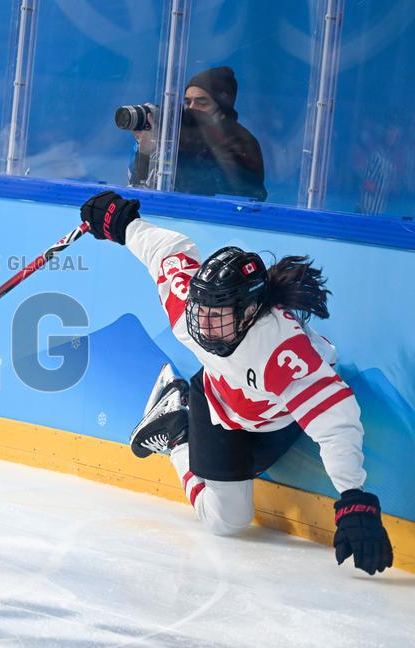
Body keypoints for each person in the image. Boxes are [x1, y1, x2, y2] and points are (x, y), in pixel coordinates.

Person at [78, 190, 393, 575]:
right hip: (218, 407)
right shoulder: (190, 311)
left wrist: (353, 495)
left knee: (234, 510)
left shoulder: (279, 349)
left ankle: (180, 422)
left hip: (275, 423)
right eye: (201, 310)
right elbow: (168, 252)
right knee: (227, 522)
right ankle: (179, 433)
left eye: (218, 315)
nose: (203, 324)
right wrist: (125, 225)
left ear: (249, 312)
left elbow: (335, 421)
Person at [130, 66, 267, 201]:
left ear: (222, 108)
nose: (191, 109)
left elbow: (230, 191)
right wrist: (146, 153)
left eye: (201, 103)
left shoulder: (240, 142)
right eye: (187, 103)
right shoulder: (178, 137)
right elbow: (140, 189)